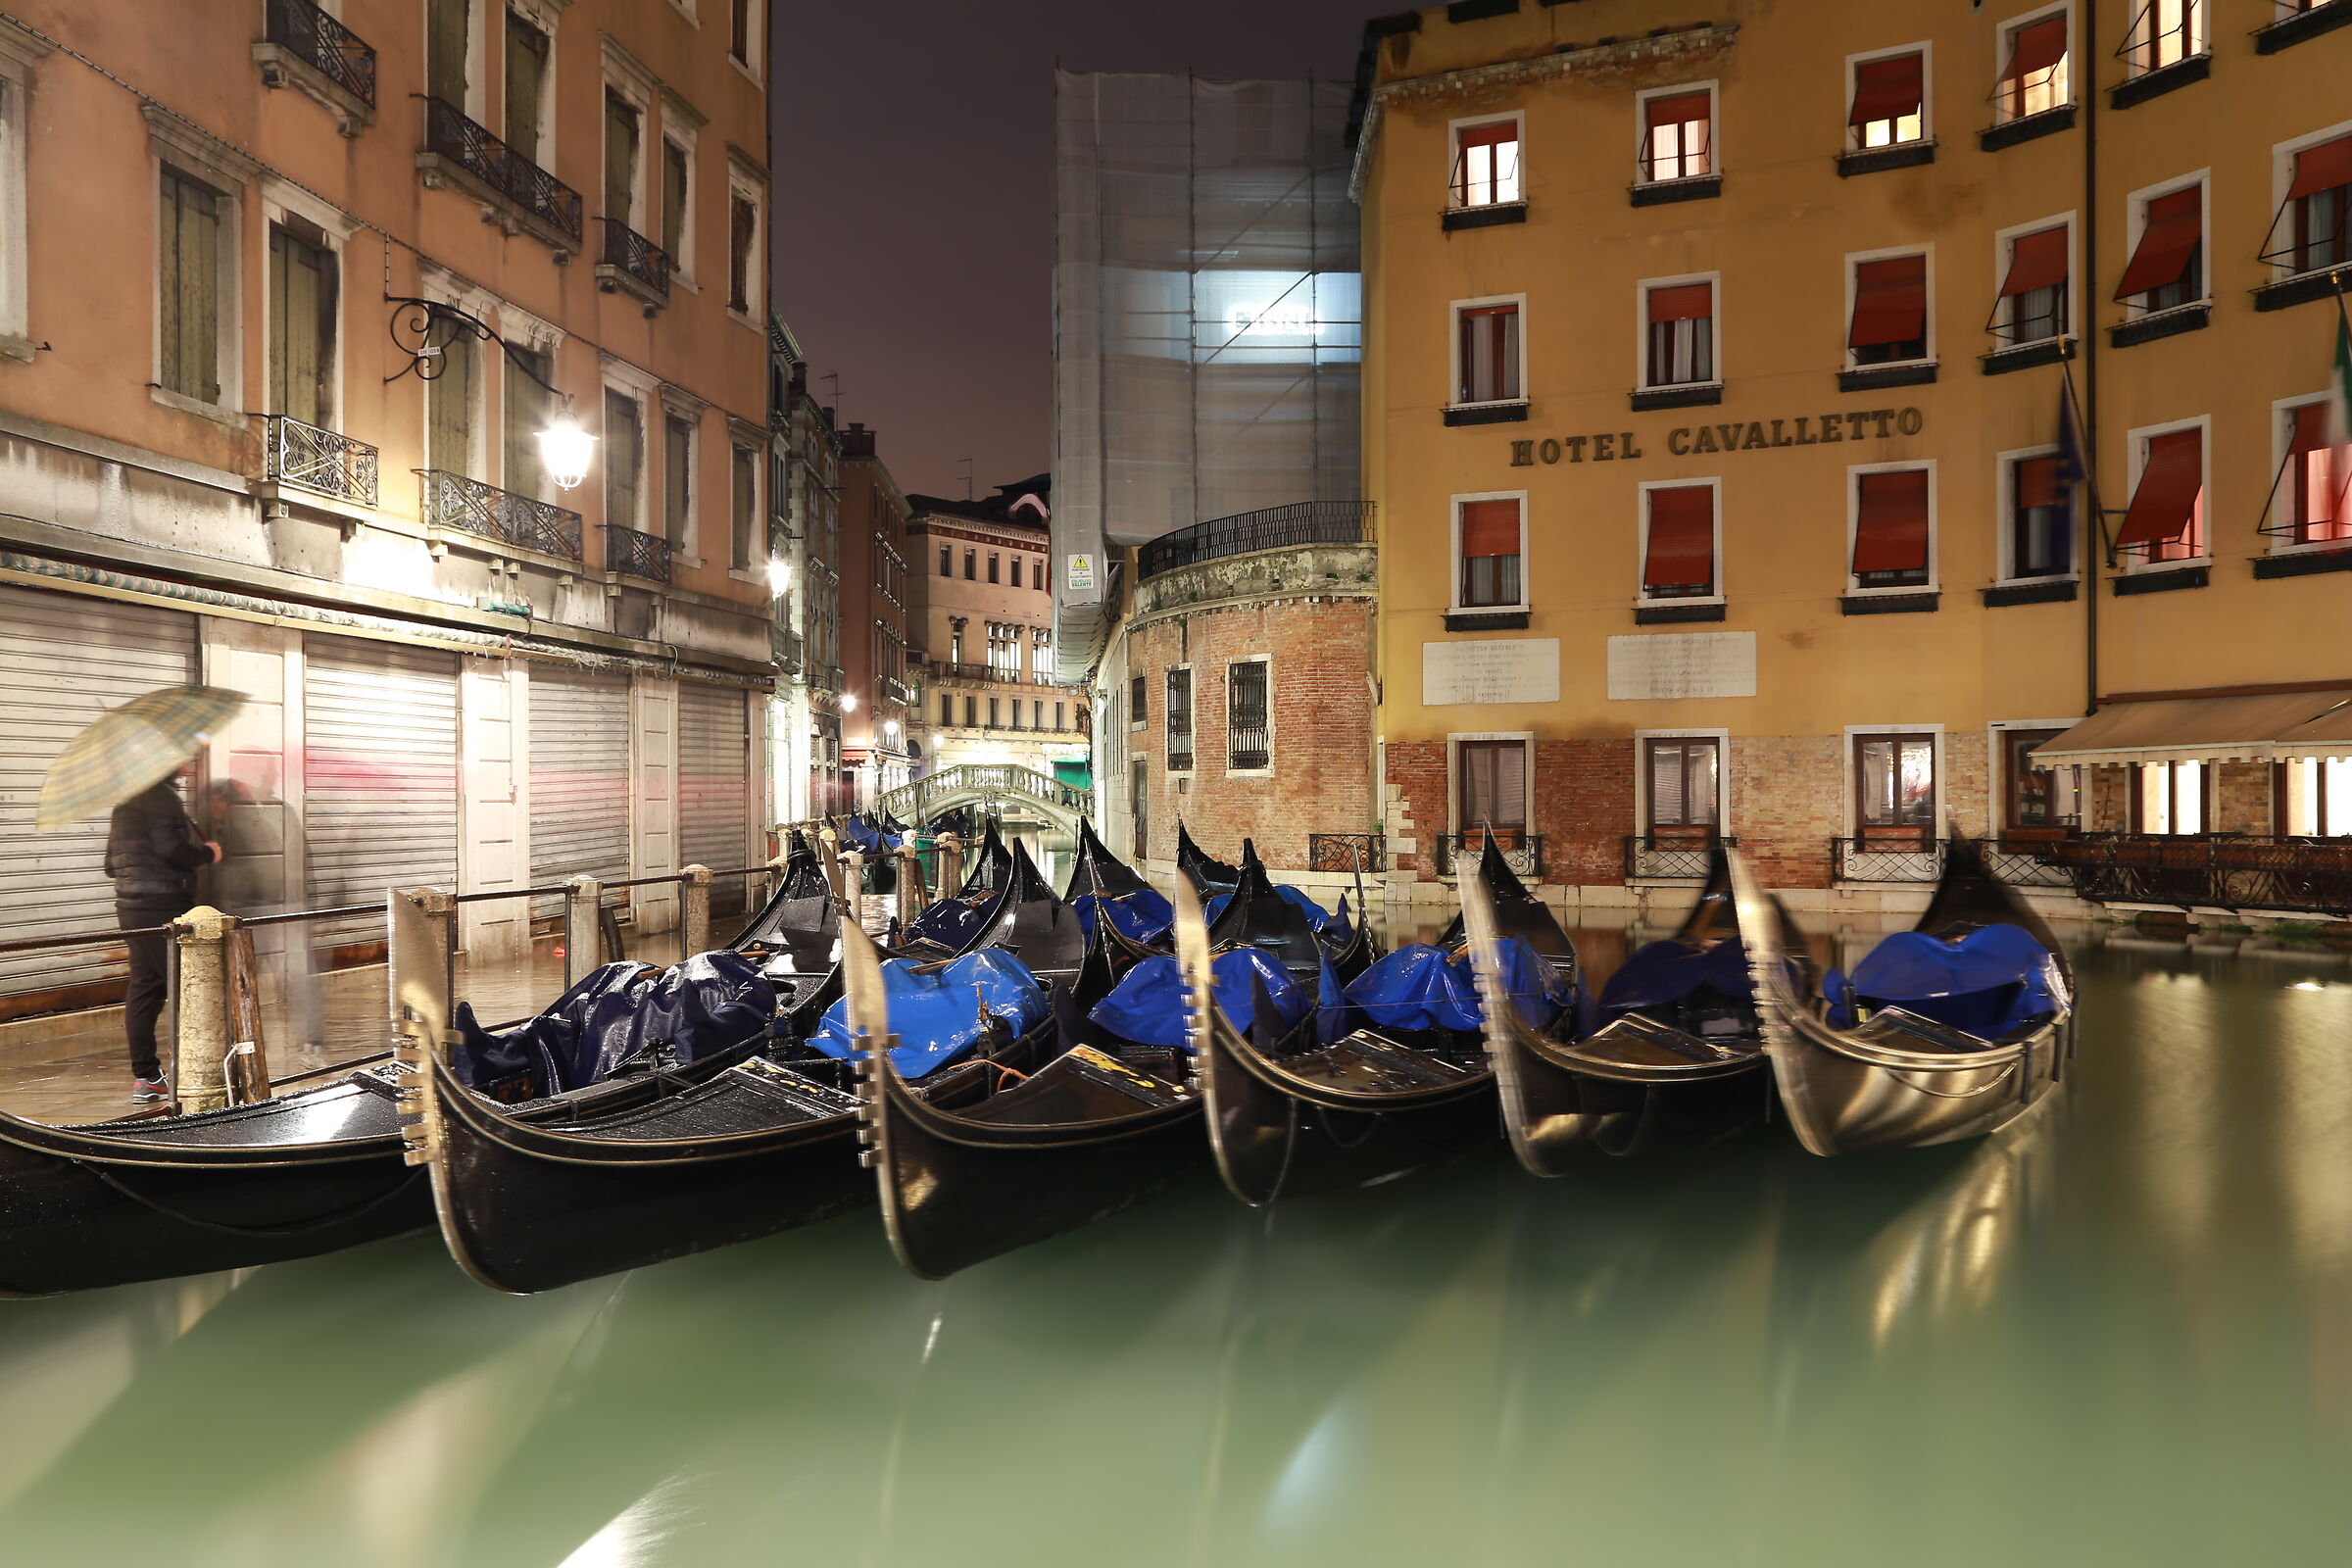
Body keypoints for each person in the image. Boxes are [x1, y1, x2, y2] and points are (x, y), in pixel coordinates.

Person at [104, 765, 221, 1102]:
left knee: (145, 986)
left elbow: (110, 865)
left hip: (129, 906)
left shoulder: (124, 801)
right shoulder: (161, 796)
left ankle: (147, 1076)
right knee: (186, 985)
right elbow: (172, 849)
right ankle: (195, 1069)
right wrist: (206, 852)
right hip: (164, 903)